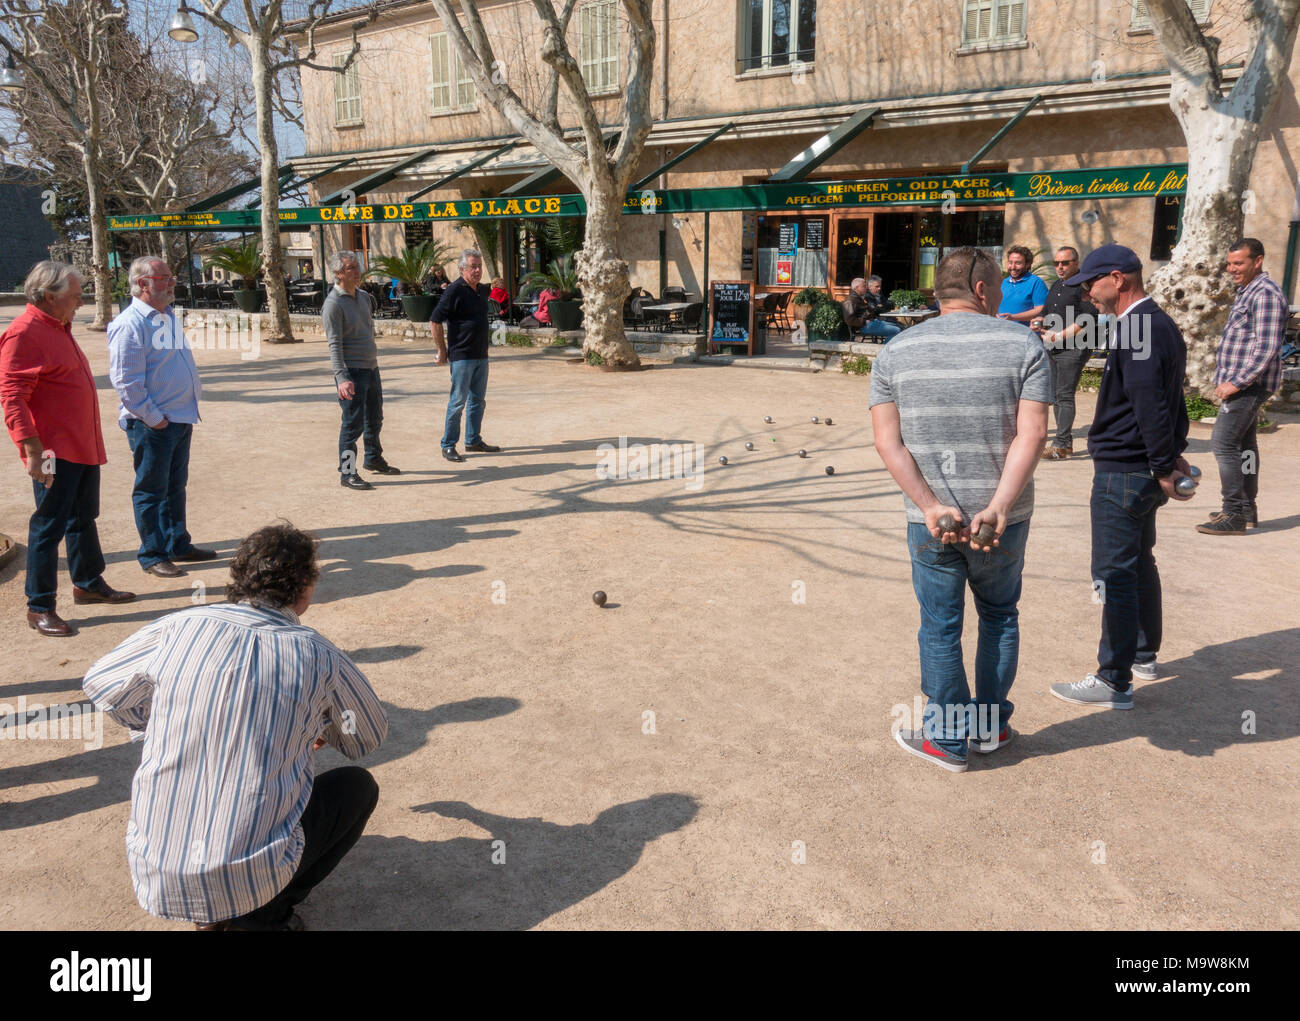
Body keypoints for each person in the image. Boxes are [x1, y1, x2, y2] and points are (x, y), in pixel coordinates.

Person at [83, 521, 387, 931]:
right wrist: (309, 730)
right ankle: (264, 917)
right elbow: (365, 738)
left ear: (239, 578)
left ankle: (217, 910)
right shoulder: (319, 655)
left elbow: (100, 682)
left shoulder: (179, 626)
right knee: (357, 787)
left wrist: (158, 722)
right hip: (246, 877)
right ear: (305, 590)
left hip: (156, 869)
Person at [870, 247, 1051, 772]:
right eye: (997, 290)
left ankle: (947, 740)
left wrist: (928, 504)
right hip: (1004, 521)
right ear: (980, 290)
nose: (1001, 298)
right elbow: (1033, 433)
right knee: (998, 616)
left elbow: (889, 444)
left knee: (941, 626)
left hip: (932, 524)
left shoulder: (895, 351)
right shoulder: (1025, 344)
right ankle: (989, 728)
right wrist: (999, 505)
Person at [1051, 244, 1193, 710]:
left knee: (1113, 573)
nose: (1087, 292)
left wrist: (1162, 464)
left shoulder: (1137, 329)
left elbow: (1152, 403)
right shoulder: (1158, 323)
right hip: (1141, 467)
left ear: (1117, 278)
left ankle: (1114, 679)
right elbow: (1174, 400)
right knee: (1138, 561)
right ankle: (1143, 655)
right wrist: (1175, 455)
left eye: (1091, 283)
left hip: (1124, 471)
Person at [1, 261, 135, 637]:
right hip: (51, 451)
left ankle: (88, 582)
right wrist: (31, 450)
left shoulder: (58, 325)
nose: (80, 302)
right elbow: (12, 397)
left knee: (83, 517)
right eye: (75, 296)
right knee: (48, 525)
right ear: (48, 296)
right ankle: (39, 605)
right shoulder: (24, 333)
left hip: (81, 445)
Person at [108, 256, 213, 580]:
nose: (171, 282)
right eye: (164, 277)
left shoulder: (166, 316)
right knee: (151, 491)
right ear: (143, 283)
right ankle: (152, 553)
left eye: (171, 276)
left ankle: (176, 543)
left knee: (175, 486)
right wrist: (154, 418)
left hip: (179, 418)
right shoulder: (129, 324)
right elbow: (126, 381)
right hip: (154, 423)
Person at [1195, 237, 1286, 535]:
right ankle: (1247, 510)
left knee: (1222, 444)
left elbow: (1267, 347)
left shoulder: (1265, 294)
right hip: (1243, 383)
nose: (1232, 268)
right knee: (1245, 447)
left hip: (1249, 385)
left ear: (1257, 261)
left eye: (1239, 263)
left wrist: (1235, 383)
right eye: (1229, 263)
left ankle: (1233, 512)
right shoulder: (1248, 291)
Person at [323, 250, 400, 491]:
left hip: (371, 368)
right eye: (350, 268)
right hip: (351, 373)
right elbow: (334, 344)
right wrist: (341, 377)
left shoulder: (365, 297)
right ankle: (347, 473)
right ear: (338, 274)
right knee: (352, 425)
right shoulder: (333, 305)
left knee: (374, 418)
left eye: (357, 266)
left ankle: (373, 458)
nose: (357, 272)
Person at [431, 249, 500, 462]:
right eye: (473, 267)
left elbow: (492, 286)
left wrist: (497, 283)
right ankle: (448, 444)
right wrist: (442, 351)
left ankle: (473, 440)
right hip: (462, 356)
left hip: (481, 354)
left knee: (478, 400)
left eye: (479, 266)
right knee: (458, 401)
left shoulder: (480, 290)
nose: (478, 270)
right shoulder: (453, 290)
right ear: (462, 269)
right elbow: (435, 320)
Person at [1037, 246, 1101, 460]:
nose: (1060, 267)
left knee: (1064, 395)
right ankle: (1065, 444)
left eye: (1064, 263)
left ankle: (1061, 445)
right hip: (1053, 346)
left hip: (1074, 348)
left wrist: (1060, 336)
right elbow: (1047, 313)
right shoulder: (1057, 284)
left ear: (1076, 263)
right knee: (1056, 396)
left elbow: (1089, 317)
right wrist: (1038, 324)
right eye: (1056, 263)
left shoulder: (1082, 285)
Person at [997, 245, 1048, 323]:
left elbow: (1040, 309)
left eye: (1018, 263)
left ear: (1027, 264)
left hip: (1024, 333)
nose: (1013, 267)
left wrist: (1013, 317)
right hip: (1002, 331)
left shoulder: (1036, 282)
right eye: (1010, 262)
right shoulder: (1002, 283)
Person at [841, 276, 902, 342]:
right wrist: (864, 321)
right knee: (897, 331)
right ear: (856, 288)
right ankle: (882, 350)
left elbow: (873, 309)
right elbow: (849, 320)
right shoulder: (850, 301)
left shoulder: (859, 298)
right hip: (864, 326)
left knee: (901, 328)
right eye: (864, 286)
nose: (866, 288)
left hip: (874, 321)